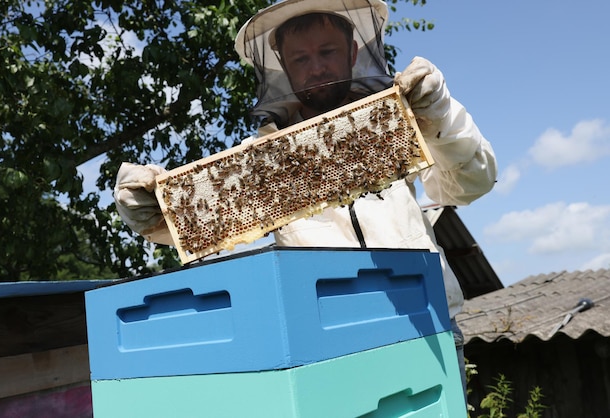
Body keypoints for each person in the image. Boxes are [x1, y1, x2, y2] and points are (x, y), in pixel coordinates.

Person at [114, 0, 497, 395]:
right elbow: (207, 229)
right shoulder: (259, 162)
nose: (316, 68)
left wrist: (441, 116)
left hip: (426, 326)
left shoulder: (398, 123)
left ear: (352, 52)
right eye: (301, 58)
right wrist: (155, 215)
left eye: (327, 52)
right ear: (282, 65)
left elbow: (472, 183)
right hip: (331, 351)